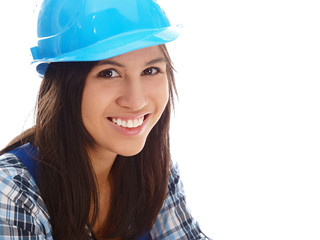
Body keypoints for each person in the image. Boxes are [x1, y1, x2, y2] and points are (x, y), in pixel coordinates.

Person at [0, 0, 210, 239]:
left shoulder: (155, 171)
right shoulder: (11, 190)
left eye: (150, 70)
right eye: (108, 73)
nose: (136, 101)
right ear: (62, 87)